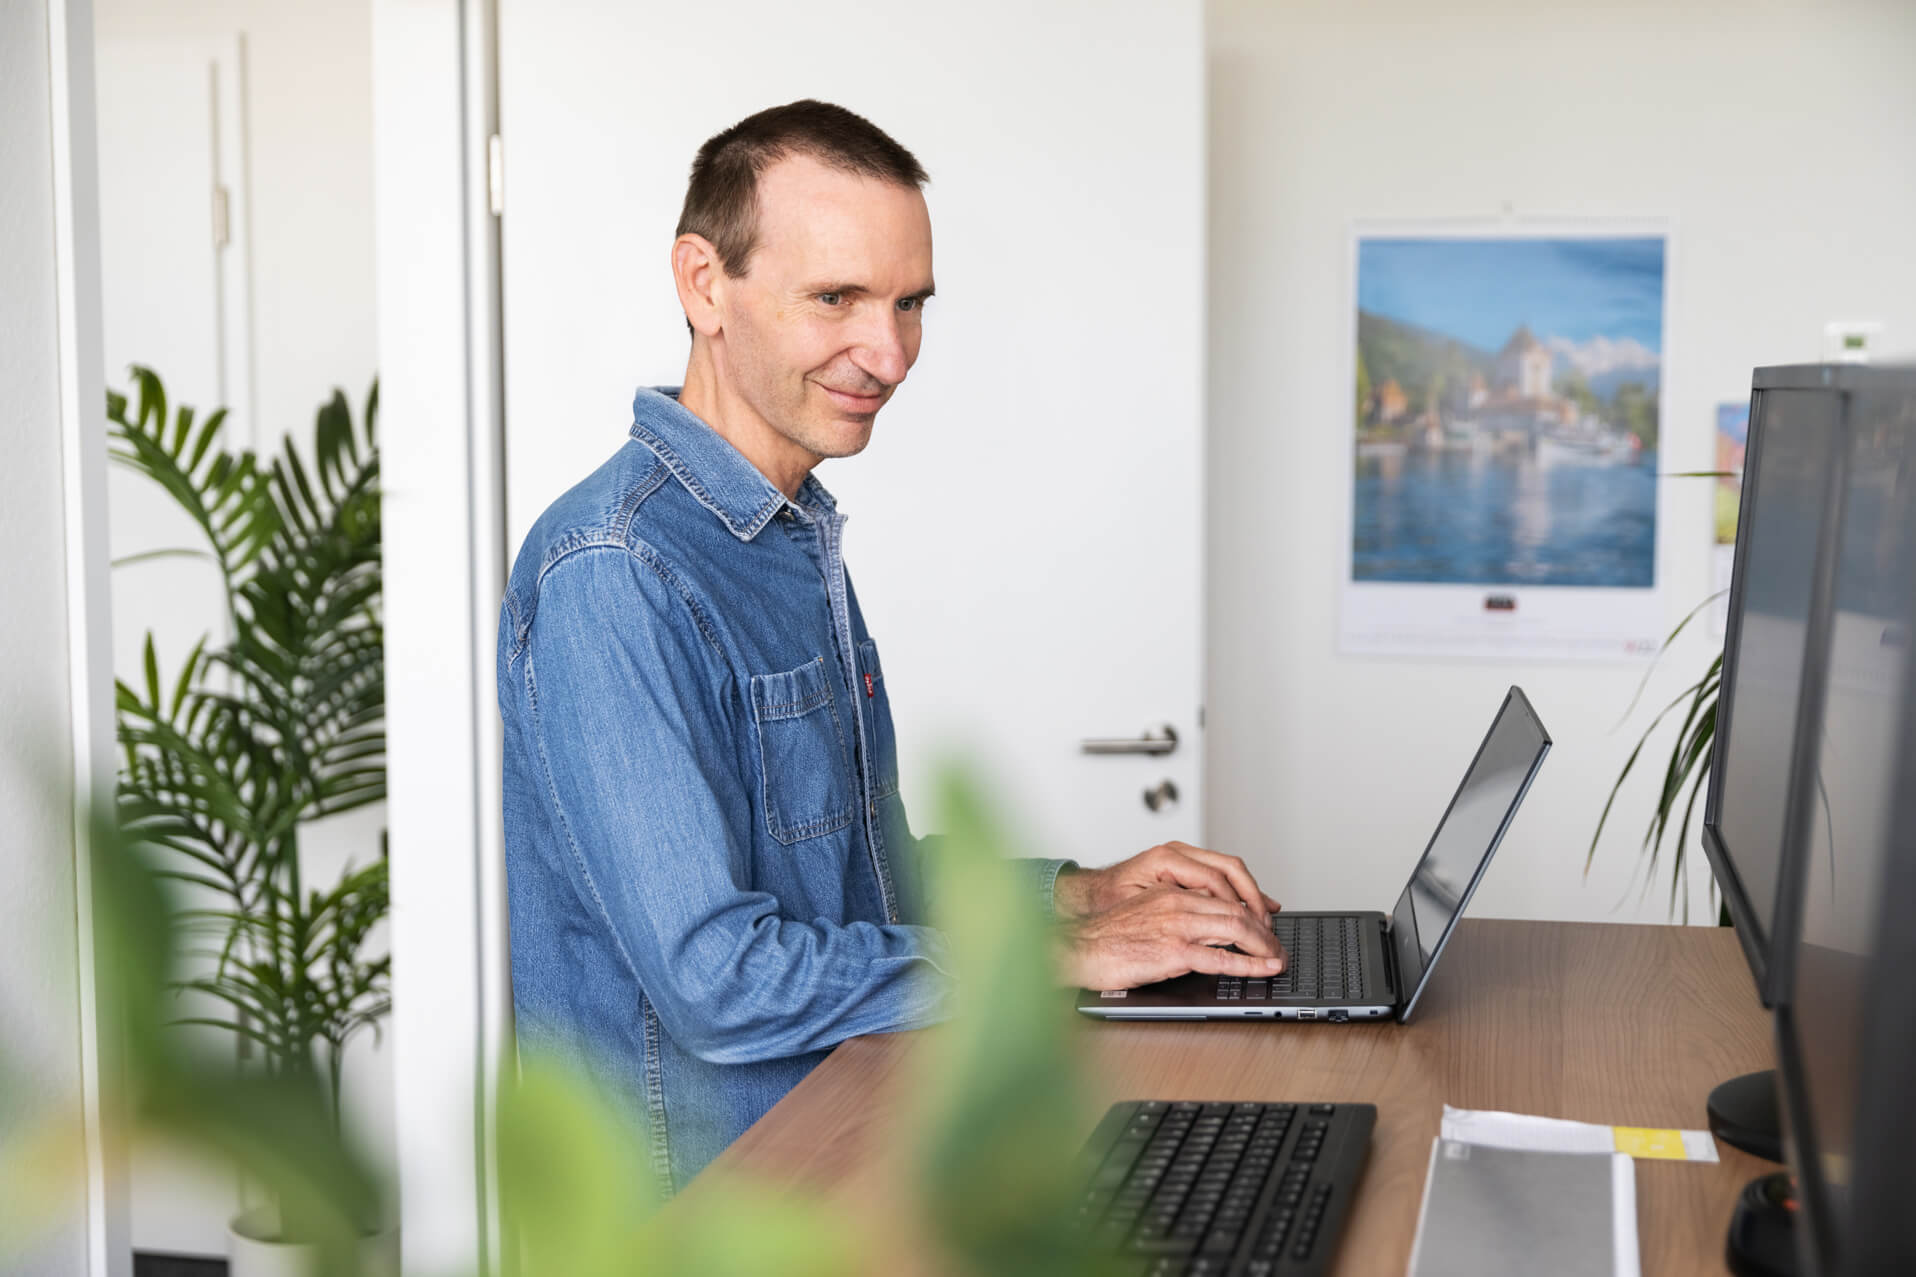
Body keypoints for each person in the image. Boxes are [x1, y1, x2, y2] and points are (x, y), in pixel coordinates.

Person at [498, 99, 1287, 1194]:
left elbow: (855, 872)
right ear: (702, 283)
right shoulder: (612, 569)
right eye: (837, 298)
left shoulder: (787, 535)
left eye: (909, 303)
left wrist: (1080, 893)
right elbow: (715, 980)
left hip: (846, 1150)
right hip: (708, 1216)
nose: (890, 351)